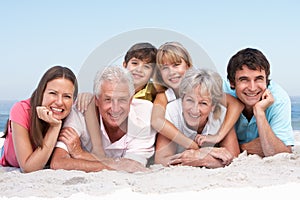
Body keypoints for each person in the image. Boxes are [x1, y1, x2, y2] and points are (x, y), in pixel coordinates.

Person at [50, 66, 157, 172]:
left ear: (130, 100)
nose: (115, 109)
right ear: (96, 100)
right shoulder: (80, 112)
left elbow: (132, 166)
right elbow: (58, 162)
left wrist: (80, 154)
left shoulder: (145, 114)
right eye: (108, 99)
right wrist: (113, 165)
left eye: (122, 100)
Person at [151, 41, 244, 150]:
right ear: (160, 74)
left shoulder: (201, 89)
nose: (171, 72)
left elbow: (236, 105)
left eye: (176, 65)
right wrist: (191, 145)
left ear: (188, 66)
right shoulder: (164, 95)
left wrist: (219, 136)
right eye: (165, 68)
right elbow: (156, 121)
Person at [155, 68, 240, 168]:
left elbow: (234, 158)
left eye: (203, 103)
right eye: (190, 100)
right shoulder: (172, 112)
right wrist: (202, 153)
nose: (195, 110)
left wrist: (203, 159)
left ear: (213, 106)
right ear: (182, 99)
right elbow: (161, 160)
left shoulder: (221, 115)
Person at [0, 66, 78, 173]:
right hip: (11, 155)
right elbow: (28, 168)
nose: (60, 102)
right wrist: (54, 127)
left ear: (73, 100)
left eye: (67, 96)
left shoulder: (71, 114)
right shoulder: (21, 109)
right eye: (53, 93)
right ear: (41, 92)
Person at [224, 47, 294, 157]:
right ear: (232, 83)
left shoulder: (279, 99)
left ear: (266, 80)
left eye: (259, 79)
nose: (252, 88)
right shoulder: (222, 92)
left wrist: (259, 112)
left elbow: (280, 153)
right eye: (244, 80)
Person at [76, 42, 157, 113]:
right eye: (135, 63)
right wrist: (88, 96)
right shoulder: (112, 86)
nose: (139, 70)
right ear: (125, 65)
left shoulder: (155, 92)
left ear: (153, 73)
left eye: (146, 67)